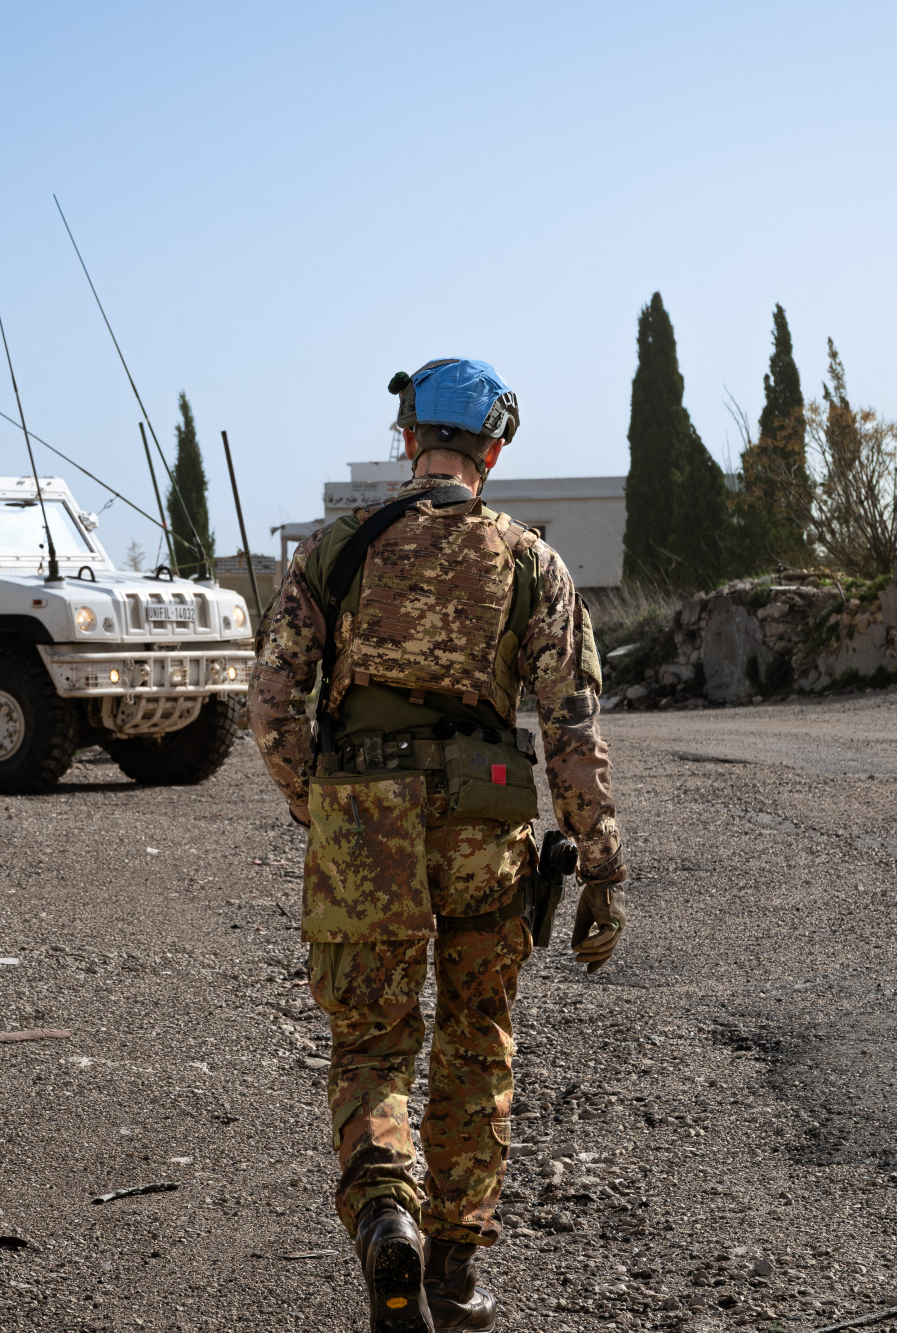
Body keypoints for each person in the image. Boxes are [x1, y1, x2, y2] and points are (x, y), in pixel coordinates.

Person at [248, 359, 627, 1332]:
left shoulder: (337, 550)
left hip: (361, 820)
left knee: (372, 1043)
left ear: (408, 437)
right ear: (493, 447)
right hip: (487, 815)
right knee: (475, 1039)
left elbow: (270, 703)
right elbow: (573, 728)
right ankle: (454, 1269)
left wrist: (318, 806)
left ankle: (386, 1217)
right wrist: (600, 863)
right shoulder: (529, 561)